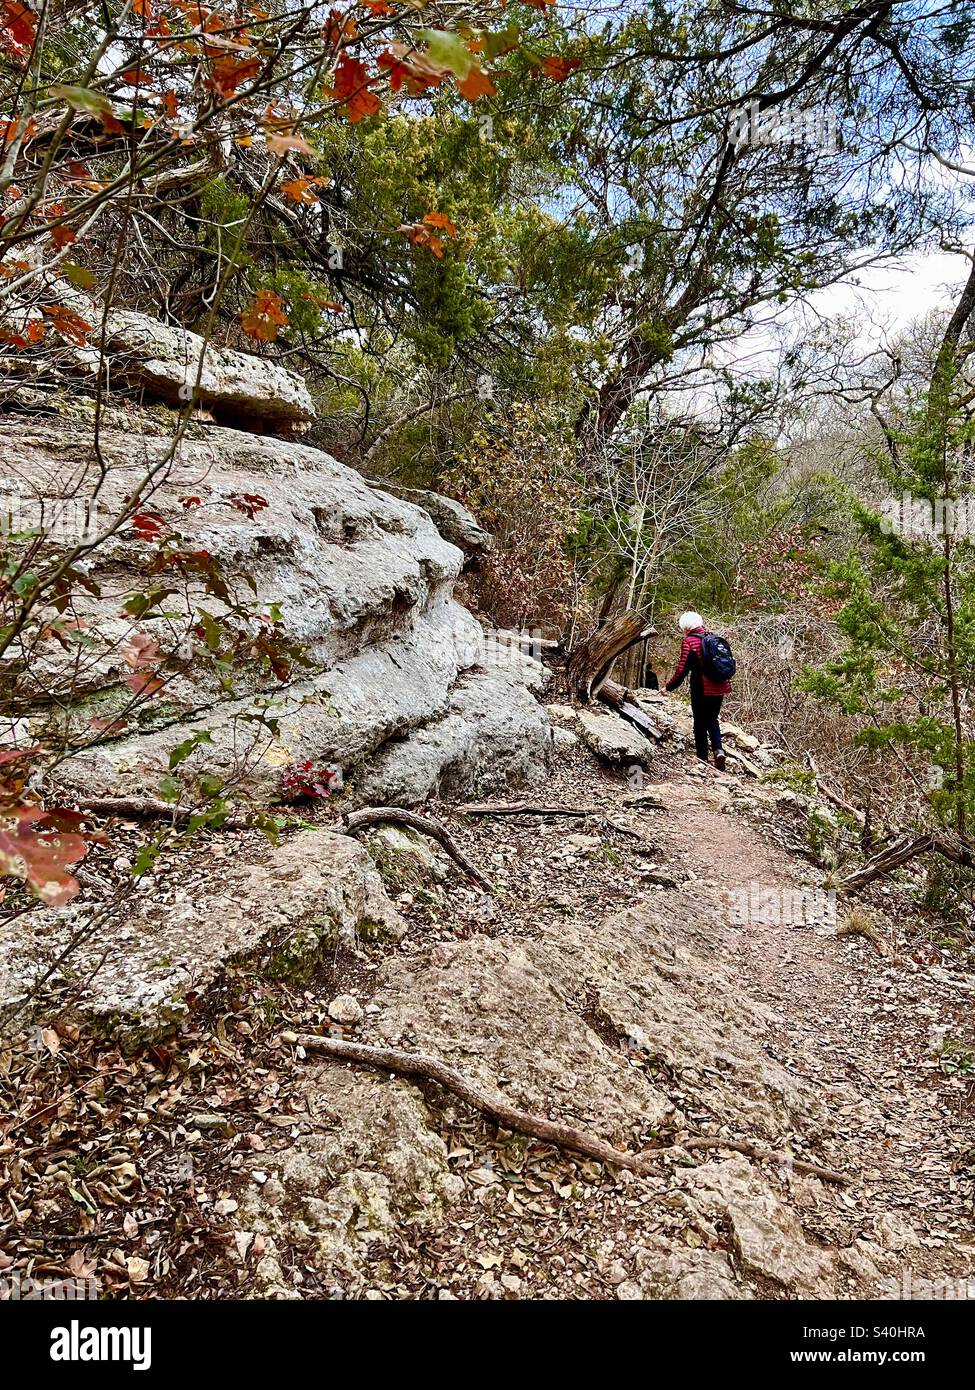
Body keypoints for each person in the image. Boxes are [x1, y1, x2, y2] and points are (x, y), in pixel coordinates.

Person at [664, 611, 731, 770]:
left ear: (685, 626)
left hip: (701, 687)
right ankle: (718, 750)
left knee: (700, 721)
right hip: (720, 685)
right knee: (712, 719)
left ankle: (702, 758)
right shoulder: (713, 638)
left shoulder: (689, 642)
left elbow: (682, 670)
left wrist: (668, 687)